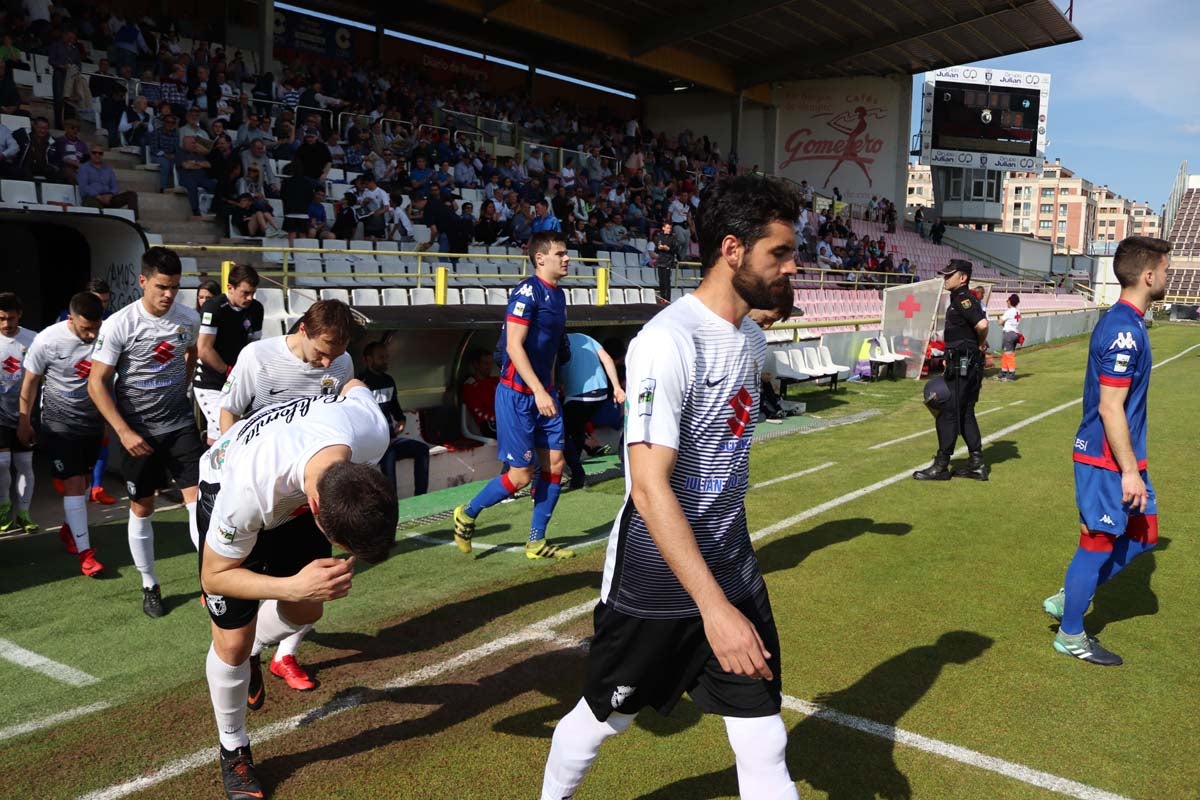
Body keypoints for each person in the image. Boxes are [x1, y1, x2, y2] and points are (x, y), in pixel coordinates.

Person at [540, 174, 801, 800]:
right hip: (655, 578)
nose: (794, 265)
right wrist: (713, 611)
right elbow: (652, 489)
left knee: (764, 741)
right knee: (606, 719)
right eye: (781, 253)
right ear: (732, 250)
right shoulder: (666, 341)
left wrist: (725, 598)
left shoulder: (751, 338)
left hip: (732, 562)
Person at [198, 382, 396, 799]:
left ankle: (256, 651)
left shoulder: (372, 430)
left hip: (298, 479)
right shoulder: (249, 492)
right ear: (319, 509)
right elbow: (214, 576)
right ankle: (233, 747)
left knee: (309, 611)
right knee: (233, 642)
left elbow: (355, 384)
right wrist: (291, 585)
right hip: (226, 480)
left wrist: (301, 593)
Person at [1042, 236, 1171, 667]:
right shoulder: (1123, 331)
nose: (1169, 277)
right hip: (1106, 459)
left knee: (1145, 534)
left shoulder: (1130, 323)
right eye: (1166, 270)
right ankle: (1072, 634)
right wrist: (1129, 471)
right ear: (1148, 276)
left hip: (1122, 458)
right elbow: (1109, 406)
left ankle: (1074, 593)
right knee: (1097, 542)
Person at [217, 299, 356, 694]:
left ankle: (282, 654)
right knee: (246, 585)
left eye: (338, 355)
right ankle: (249, 652)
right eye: (322, 352)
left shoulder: (341, 363)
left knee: (317, 588)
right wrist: (231, 473)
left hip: (304, 496)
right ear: (303, 331)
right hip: (256, 495)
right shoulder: (258, 357)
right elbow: (228, 413)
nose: (329, 364)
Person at [87, 248, 204, 617]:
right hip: (138, 433)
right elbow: (96, 383)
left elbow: (191, 355)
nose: (168, 294)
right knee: (143, 507)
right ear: (142, 282)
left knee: (199, 503)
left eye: (174, 287)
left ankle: (212, 580)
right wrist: (123, 431)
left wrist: (181, 390)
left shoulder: (188, 318)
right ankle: (149, 584)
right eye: (161, 287)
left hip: (180, 424)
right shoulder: (119, 324)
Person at [452, 231, 574, 560]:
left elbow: (547, 351)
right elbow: (513, 347)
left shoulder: (559, 296)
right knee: (520, 476)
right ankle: (467, 513)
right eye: (560, 253)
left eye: (567, 253)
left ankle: (536, 541)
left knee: (556, 465)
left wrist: (550, 389)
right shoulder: (526, 292)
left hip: (544, 394)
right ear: (540, 259)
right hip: (519, 397)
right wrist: (537, 391)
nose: (567, 258)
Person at [17, 292, 106, 574]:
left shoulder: (106, 336)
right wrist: (24, 420)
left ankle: (70, 530)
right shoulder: (46, 340)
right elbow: (30, 382)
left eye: (96, 327)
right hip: (58, 424)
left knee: (80, 487)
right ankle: (86, 555)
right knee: (74, 484)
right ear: (71, 319)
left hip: (91, 423)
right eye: (85, 328)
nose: (92, 334)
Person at [913, 259, 989, 481]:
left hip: (963, 365)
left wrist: (980, 344)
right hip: (966, 363)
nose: (945, 279)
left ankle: (942, 464)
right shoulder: (960, 299)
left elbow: (982, 325)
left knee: (948, 410)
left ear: (962, 278)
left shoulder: (963, 299)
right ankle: (976, 463)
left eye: (949, 275)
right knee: (965, 412)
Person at [193, 265, 263, 445]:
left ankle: (208, 467)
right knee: (226, 431)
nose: (249, 298)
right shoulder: (214, 307)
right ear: (230, 288)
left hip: (236, 379)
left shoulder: (256, 309)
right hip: (211, 380)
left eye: (252, 293)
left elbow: (253, 345)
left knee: (220, 435)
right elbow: (204, 349)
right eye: (245, 293)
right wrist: (228, 370)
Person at [360, 341, 431, 496]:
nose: (385, 361)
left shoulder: (388, 380)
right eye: (380, 357)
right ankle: (392, 503)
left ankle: (421, 497)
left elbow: (395, 409)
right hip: (373, 444)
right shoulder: (360, 384)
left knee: (422, 450)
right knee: (389, 453)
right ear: (368, 359)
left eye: (386, 357)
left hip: (391, 440)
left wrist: (401, 420)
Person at [560, 333, 625, 491]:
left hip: (578, 395)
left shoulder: (558, 340)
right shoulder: (586, 337)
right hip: (600, 392)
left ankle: (576, 474)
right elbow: (608, 359)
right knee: (576, 430)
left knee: (562, 433)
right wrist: (616, 387)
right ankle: (576, 471)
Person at [0, 293, 37, 534]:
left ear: (19, 315)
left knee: (24, 464)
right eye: (1, 319)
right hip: (0, 415)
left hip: (26, 414)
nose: (6, 324)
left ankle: (24, 512)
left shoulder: (34, 339)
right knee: (2, 464)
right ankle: (4, 509)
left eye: (10, 318)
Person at [78, 145, 140, 215]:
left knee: (131, 195)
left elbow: (115, 186)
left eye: (100, 153)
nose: (97, 155)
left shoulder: (108, 169)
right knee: (93, 203)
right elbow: (84, 187)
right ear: (90, 154)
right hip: (92, 197)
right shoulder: (84, 168)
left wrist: (110, 195)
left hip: (108, 198)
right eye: (94, 153)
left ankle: (134, 220)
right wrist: (98, 197)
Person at [461, 348, 498, 437]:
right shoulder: (470, 386)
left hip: (502, 419)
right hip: (487, 423)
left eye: (491, 363)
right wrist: (499, 418)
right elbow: (479, 412)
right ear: (476, 364)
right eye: (485, 363)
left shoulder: (496, 381)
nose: (489, 367)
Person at [997, 294, 1021, 382]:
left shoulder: (1009, 311)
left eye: (1008, 300)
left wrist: (1001, 321)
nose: (1006, 302)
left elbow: (1000, 322)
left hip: (1008, 334)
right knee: (1007, 353)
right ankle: (1003, 372)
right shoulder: (1018, 311)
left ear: (1010, 301)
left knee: (1009, 355)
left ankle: (1011, 373)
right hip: (1015, 333)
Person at [653, 221, 679, 301]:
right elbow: (656, 250)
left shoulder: (673, 238)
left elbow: (676, 249)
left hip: (668, 261)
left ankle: (667, 300)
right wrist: (659, 248)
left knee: (667, 281)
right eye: (667, 228)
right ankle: (662, 298)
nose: (669, 230)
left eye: (670, 228)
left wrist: (669, 249)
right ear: (663, 228)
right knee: (661, 281)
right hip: (660, 261)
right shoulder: (659, 237)